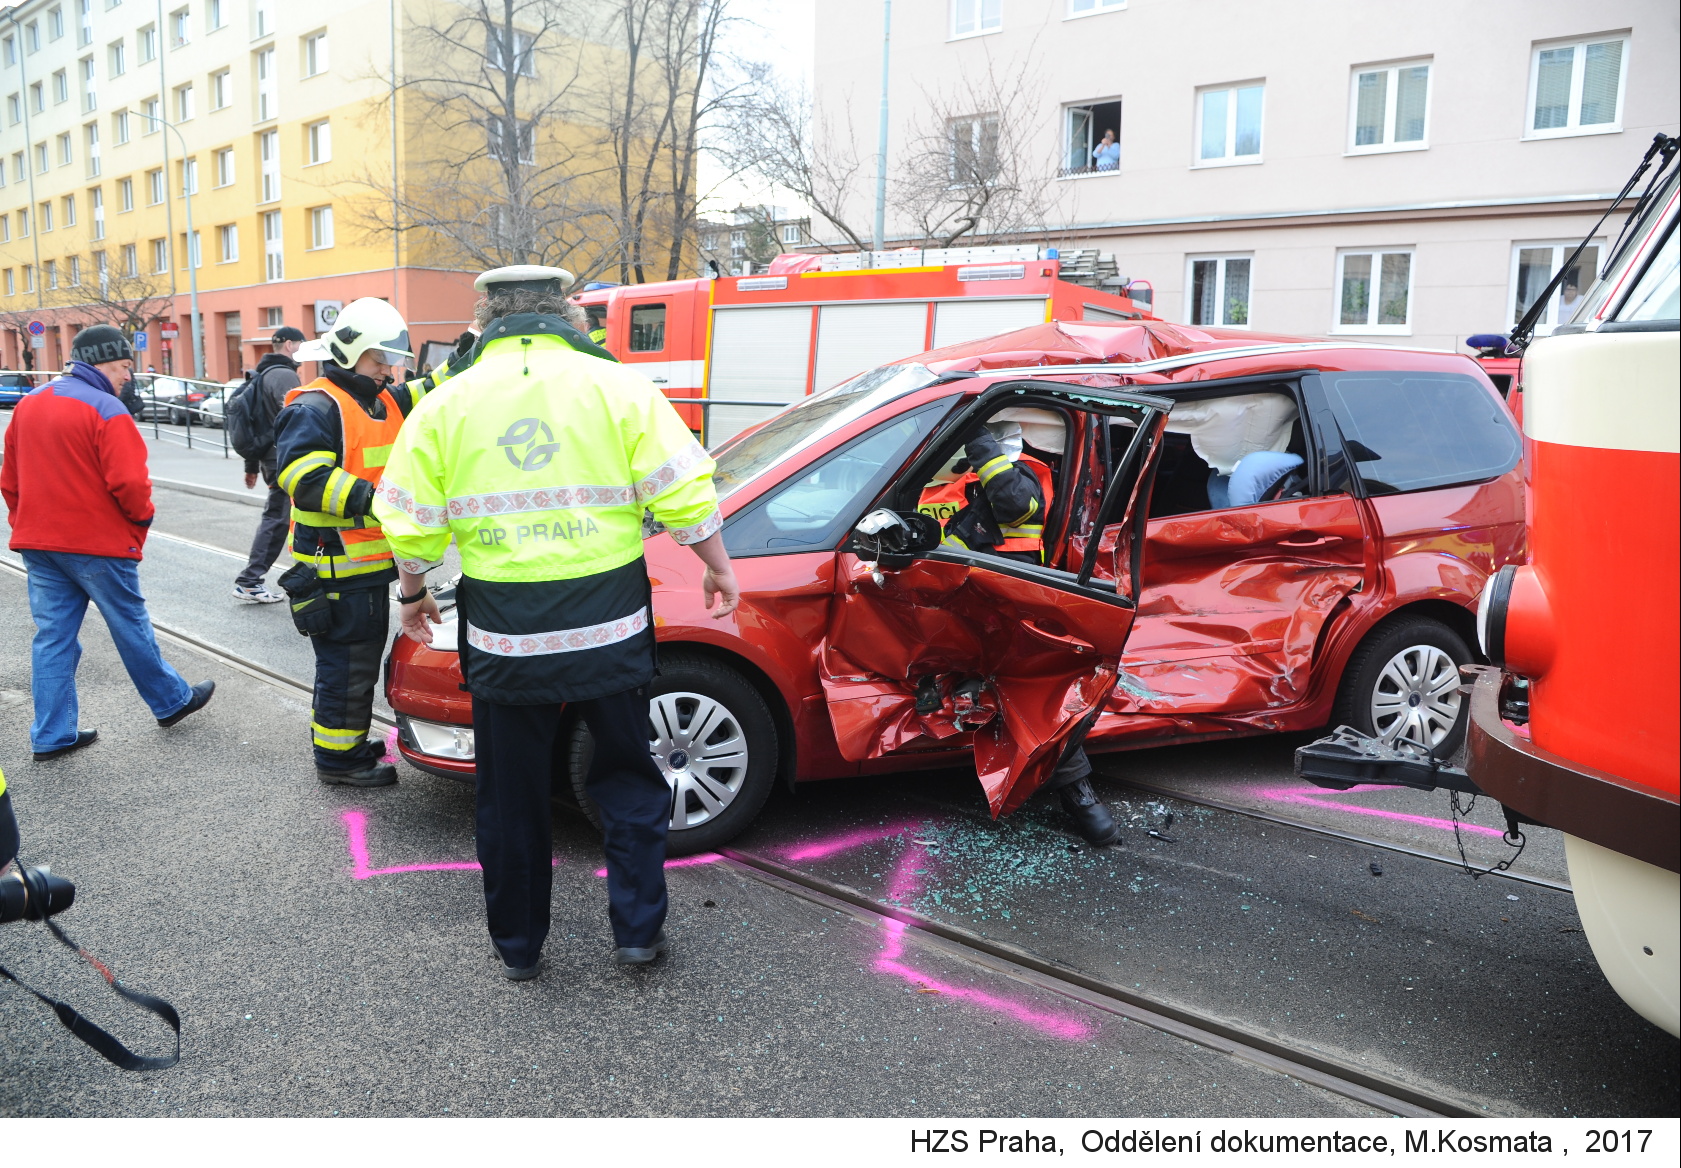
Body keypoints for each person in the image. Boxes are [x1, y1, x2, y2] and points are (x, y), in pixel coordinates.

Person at [374, 265, 740, 979]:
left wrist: (411, 593)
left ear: (484, 319)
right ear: (570, 313)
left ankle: (519, 947)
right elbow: (683, 488)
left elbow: (410, 520)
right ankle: (637, 933)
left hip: (504, 634)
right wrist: (717, 565)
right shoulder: (618, 387)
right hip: (610, 624)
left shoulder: (448, 402)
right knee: (628, 777)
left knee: (510, 796)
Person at [0, 326, 216, 762]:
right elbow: (131, 484)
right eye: (123, 366)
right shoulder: (106, 408)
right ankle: (171, 701)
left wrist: (24, 522)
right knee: (129, 625)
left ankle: (52, 734)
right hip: (96, 544)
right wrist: (140, 521)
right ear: (100, 363)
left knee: (53, 638)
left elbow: (10, 479)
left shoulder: (29, 404)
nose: (128, 376)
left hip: (39, 543)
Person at [916, 419, 1122, 847]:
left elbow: (1013, 505)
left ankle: (1081, 799)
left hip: (1013, 606)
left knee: (1028, 698)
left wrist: (978, 443)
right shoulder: (949, 485)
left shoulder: (1020, 477)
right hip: (963, 604)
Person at [273, 299, 418, 788]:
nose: (388, 370)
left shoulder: (382, 398)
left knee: (353, 664)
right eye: (379, 360)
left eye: (391, 361)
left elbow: (434, 387)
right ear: (350, 353)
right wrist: (380, 501)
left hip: (362, 567)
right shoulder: (316, 406)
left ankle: (345, 741)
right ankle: (339, 760)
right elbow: (303, 478)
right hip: (337, 570)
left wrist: (473, 346)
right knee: (346, 668)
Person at [232, 326, 306, 604]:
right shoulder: (284, 375)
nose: (302, 349)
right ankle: (249, 580)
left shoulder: (263, 374)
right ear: (289, 345)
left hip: (271, 459)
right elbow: (297, 419)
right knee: (277, 519)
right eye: (300, 344)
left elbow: (256, 420)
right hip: (284, 459)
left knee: (288, 518)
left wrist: (251, 466)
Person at [917, 420, 1053, 564]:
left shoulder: (1018, 474)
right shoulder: (934, 486)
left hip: (1006, 571)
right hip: (950, 569)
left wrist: (980, 447)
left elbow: (1015, 503)